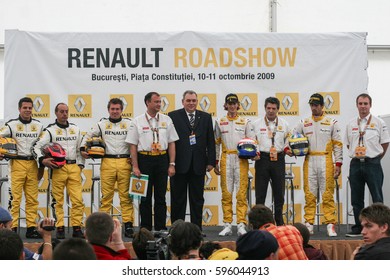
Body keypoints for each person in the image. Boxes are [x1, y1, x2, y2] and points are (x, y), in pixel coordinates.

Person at [81, 98, 134, 237]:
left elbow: (137, 141)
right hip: (108, 162)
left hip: (125, 162)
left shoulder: (129, 123)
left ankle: (128, 225)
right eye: (113, 109)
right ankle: (103, 226)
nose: (115, 111)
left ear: (122, 110)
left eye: (118, 109)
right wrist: (83, 149)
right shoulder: (102, 124)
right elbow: (87, 136)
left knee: (126, 196)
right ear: (108, 110)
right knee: (106, 197)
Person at [291, 93, 342, 237]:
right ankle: (309, 224)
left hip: (326, 160)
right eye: (312, 105)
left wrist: (338, 163)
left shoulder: (332, 122)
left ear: (322, 106)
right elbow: (293, 137)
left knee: (327, 194)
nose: (314, 108)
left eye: (316, 105)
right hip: (310, 160)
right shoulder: (304, 122)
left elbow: (338, 145)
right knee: (310, 193)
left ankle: (330, 224)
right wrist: (290, 148)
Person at [126, 92, 179, 231]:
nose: (159, 104)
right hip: (144, 159)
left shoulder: (166, 120)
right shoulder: (137, 121)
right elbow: (133, 145)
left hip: (162, 158)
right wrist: (135, 166)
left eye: (160, 102)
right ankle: (146, 228)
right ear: (147, 103)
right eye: (156, 102)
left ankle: (161, 228)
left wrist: (172, 164)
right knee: (145, 197)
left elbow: (172, 143)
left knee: (161, 196)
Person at [33, 103, 85, 239]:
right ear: (56, 113)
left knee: (78, 199)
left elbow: (81, 149)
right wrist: (42, 160)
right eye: (61, 111)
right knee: (58, 200)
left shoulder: (76, 129)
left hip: (74, 167)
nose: (64, 114)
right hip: (57, 168)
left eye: (66, 111)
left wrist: (80, 165)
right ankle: (60, 227)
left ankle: (77, 227)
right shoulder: (50, 130)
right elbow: (37, 147)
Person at [168, 90, 216, 231]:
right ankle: (176, 230)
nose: (191, 103)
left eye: (194, 100)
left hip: (198, 165)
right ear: (182, 101)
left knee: (197, 200)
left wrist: (211, 162)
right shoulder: (173, 116)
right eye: (188, 100)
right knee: (178, 200)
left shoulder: (206, 117)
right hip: (179, 164)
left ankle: (197, 230)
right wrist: (170, 163)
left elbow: (210, 141)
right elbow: (169, 142)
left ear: (197, 101)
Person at [345, 93, 390, 237]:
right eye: (360, 103)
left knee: (377, 197)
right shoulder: (351, 123)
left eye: (365, 103)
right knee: (356, 198)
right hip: (356, 164)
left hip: (372, 163)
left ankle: (381, 228)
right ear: (356, 105)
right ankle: (359, 227)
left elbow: (385, 143)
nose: (363, 106)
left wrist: (375, 157)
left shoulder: (378, 122)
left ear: (370, 105)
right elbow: (348, 144)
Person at [0, 97, 44, 239]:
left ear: (32, 109)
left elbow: (44, 143)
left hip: (32, 164)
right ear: (19, 109)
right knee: (15, 198)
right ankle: (12, 227)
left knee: (32, 198)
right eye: (24, 108)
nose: (27, 110)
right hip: (17, 163)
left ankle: (31, 227)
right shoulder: (12, 125)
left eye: (30, 108)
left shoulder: (38, 126)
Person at [214, 93, 255, 236]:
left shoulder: (245, 121)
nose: (232, 106)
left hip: (241, 159)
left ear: (238, 105)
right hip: (226, 157)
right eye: (229, 103)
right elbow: (216, 144)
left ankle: (241, 224)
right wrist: (216, 162)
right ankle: (227, 224)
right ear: (225, 105)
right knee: (226, 193)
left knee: (241, 194)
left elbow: (252, 141)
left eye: (234, 103)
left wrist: (253, 154)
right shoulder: (220, 121)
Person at [252, 97, 291, 226]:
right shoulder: (256, 124)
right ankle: (259, 223)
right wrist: (255, 152)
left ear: (278, 109)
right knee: (260, 194)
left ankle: (279, 221)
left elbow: (288, 140)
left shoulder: (284, 124)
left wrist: (287, 149)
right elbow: (253, 140)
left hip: (278, 159)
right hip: (262, 158)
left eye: (274, 108)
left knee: (279, 194)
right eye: (268, 108)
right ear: (265, 108)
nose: (271, 111)